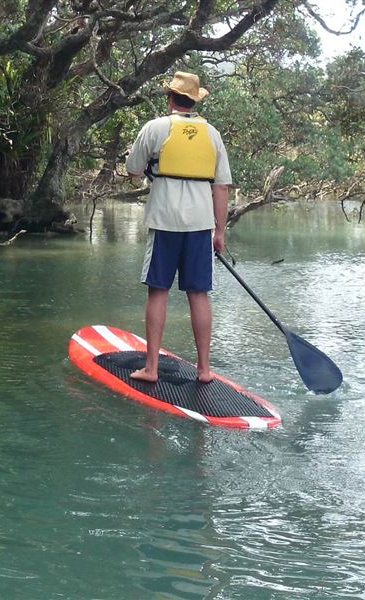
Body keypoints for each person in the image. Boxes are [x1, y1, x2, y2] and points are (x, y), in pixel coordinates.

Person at [123, 71, 231, 384]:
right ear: (194, 100)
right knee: (198, 294)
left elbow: (133, 170)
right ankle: (204, 370)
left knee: (158, 292)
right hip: (200, 225)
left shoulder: (155, 128)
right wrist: (219, 232)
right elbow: (221, 187)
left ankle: (152, 368)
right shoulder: (212, 134)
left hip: (164, 221)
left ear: (170, 98)